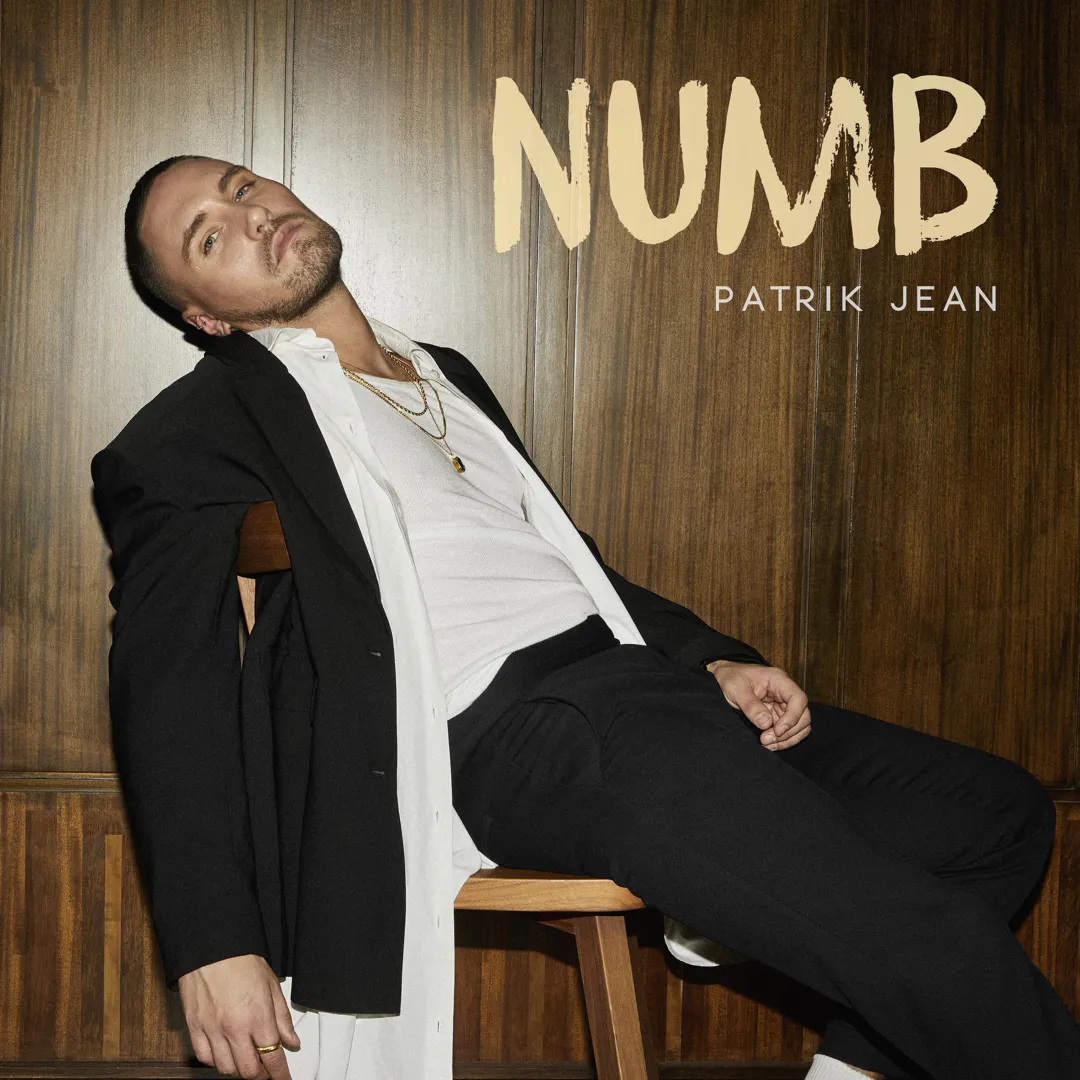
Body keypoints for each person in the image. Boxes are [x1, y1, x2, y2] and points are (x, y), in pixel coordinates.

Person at [90, 154, 1080, 1080]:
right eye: (208, 238)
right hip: (523, 733)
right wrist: (212, 942)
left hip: (641, 687)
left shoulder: (441, 370)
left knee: (993, 815)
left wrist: (710, 659)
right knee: (905, 926)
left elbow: (564, 563)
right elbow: (168, 687)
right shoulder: (192, 431)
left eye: (241, 188)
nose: (248, 217)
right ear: (204, 317)